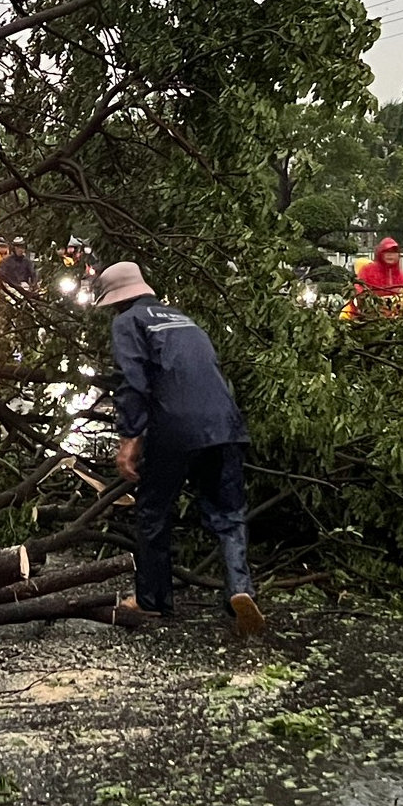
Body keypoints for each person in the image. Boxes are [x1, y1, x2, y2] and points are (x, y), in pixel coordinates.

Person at [99, 261, 265, 635]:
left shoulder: (128, 322)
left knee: (154, 512)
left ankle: (152, 600)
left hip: (174, 428)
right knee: (229, 514)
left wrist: (129, 440)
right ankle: (240, 589)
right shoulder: (181, 318)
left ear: (115, 301)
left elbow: (132, 382)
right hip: (225, 424)